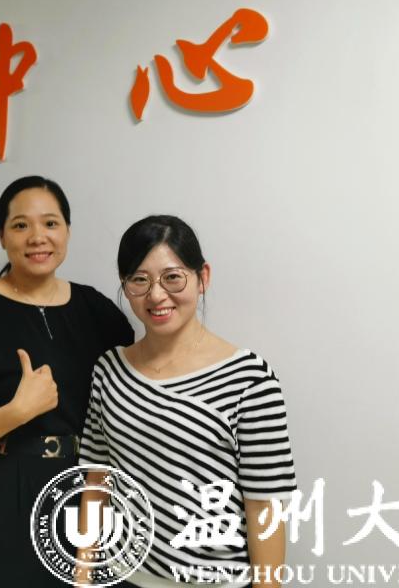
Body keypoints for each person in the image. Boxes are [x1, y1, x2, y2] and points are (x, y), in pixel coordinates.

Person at [0, 176, 134, 588]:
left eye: (50, 223)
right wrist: (17, 411)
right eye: (21, 225)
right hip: (9, 487)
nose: (37, 237)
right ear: (2, 236)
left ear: (67, 231)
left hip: (87, 486)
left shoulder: (96, 310)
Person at [78, 215, 296, 587]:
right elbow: (97, 481)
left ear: (202, 277)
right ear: (125, 286)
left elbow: (264, 507)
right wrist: (83, 577)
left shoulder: (249, 379)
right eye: (139, 280)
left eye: (172, 277)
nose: (156, 295)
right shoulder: (109, 370)